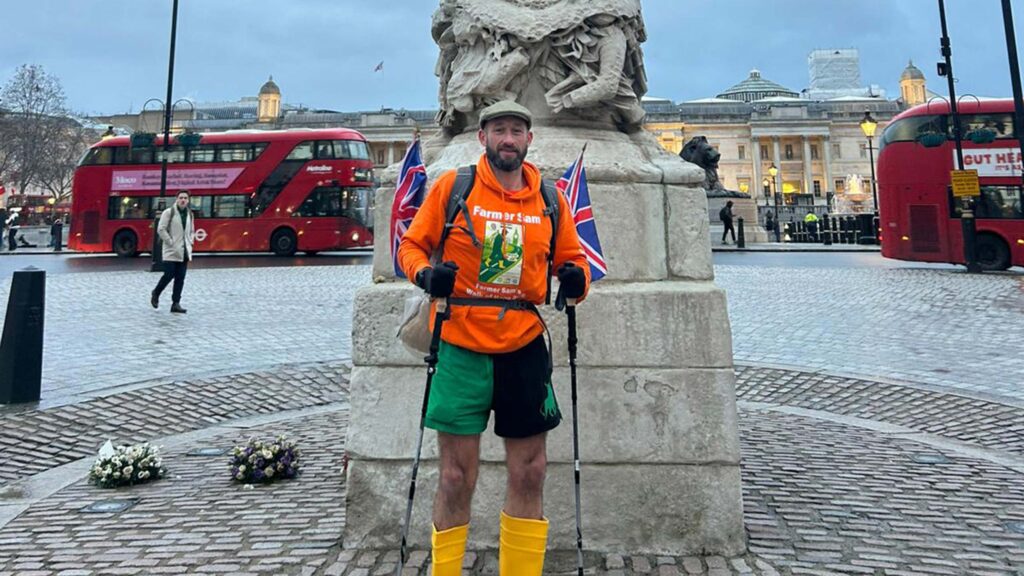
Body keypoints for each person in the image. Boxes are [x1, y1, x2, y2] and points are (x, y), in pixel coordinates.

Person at [396, 100, 590, 576]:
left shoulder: (549, 198)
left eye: (516, 131)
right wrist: (425, 275)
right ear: (482, 137)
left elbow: (574, 260)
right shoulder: (454, 186)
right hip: (460, 342)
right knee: (454, 476)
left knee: (531, 470)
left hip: (523, 345)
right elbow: (411, 246)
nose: (508, 139)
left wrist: (577, 280)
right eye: (499, 130)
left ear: (529, 140)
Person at [151, 190, 195, 314]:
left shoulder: (190, 214)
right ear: (176, 199)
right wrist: (170, 242)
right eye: (181, 197)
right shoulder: (169, 212)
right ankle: (156, 292)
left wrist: (190, 241)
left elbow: (191, 230)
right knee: (169, 275)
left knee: (180, 278)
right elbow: (161, 229)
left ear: (188, 200)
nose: (183, 200)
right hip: (171, 250)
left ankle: (176, 303)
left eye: (185, 198)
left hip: (184, 251)